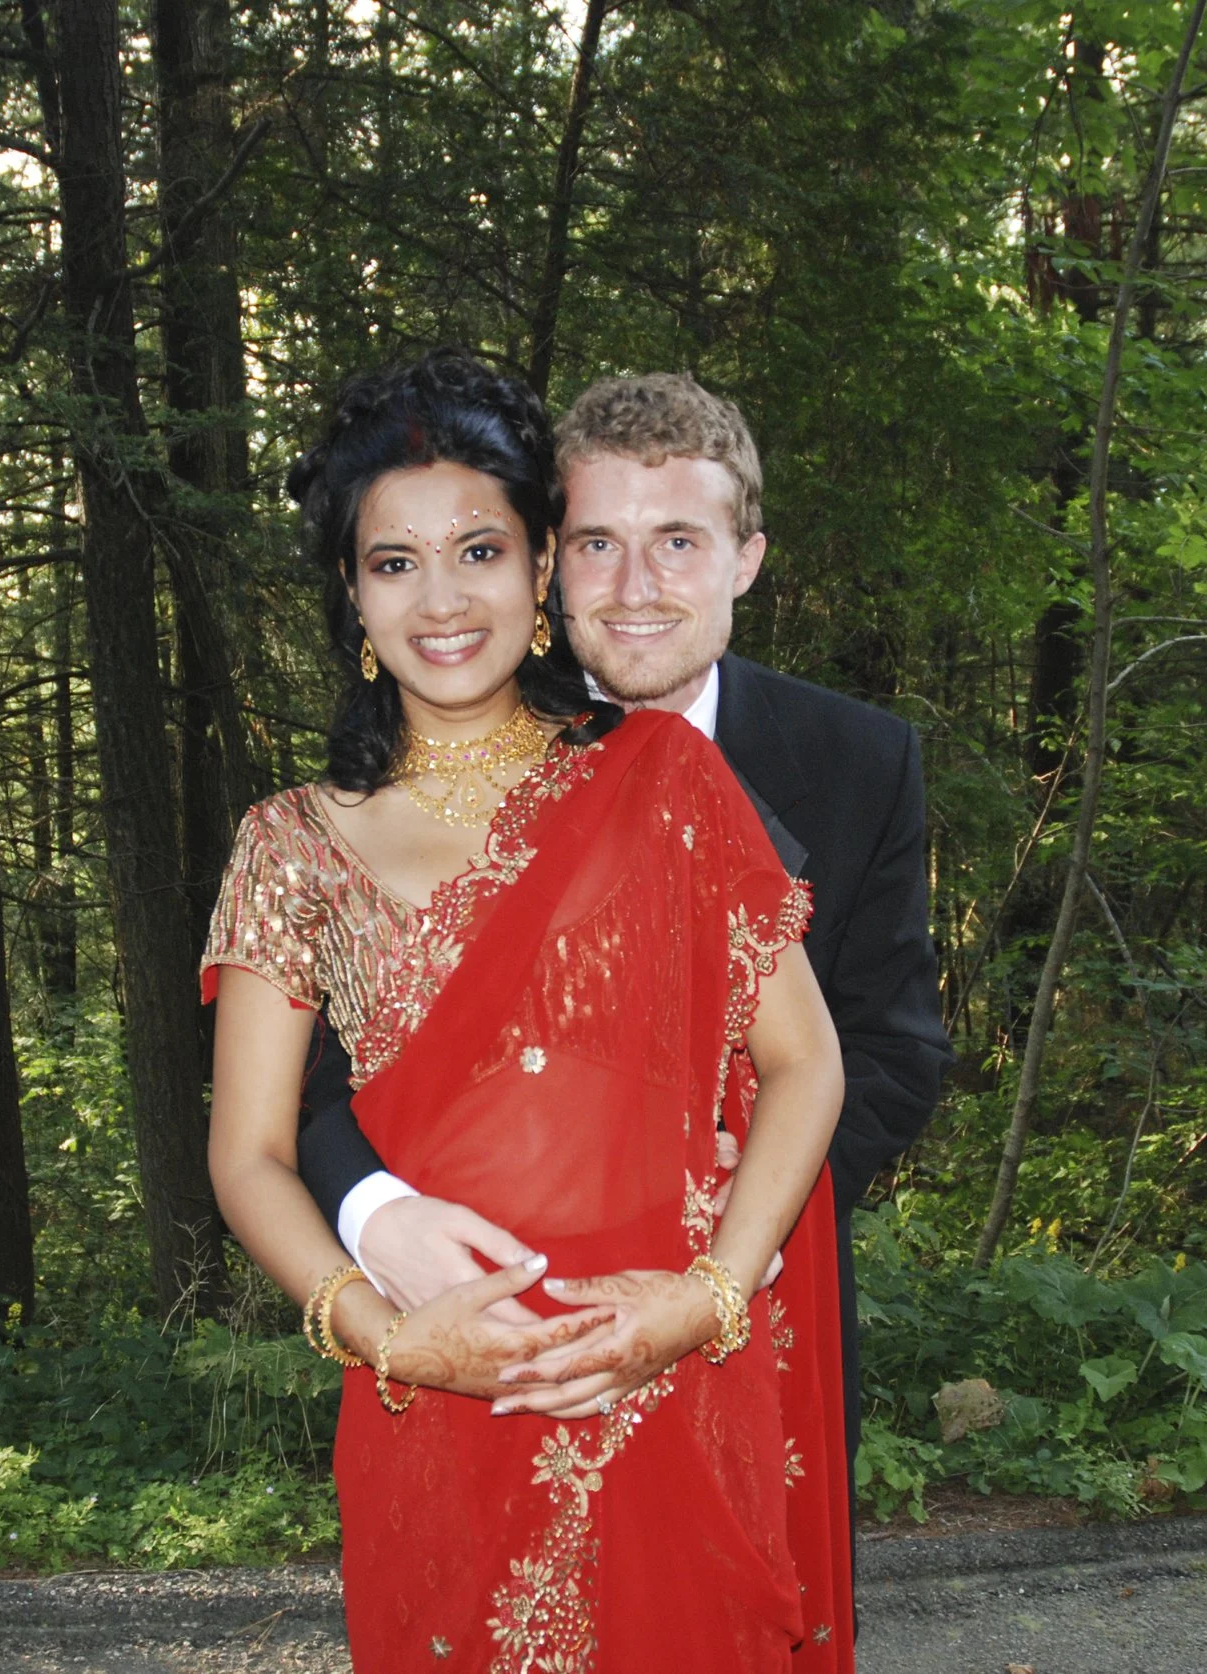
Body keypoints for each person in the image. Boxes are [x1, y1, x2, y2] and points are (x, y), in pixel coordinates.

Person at [203, 351, 855, 1672]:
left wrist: (705, 1298)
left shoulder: (662, 780)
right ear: (350, 589)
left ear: (539, 570)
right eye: (394, 563)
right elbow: (252, 1153)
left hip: (660, 1371)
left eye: (479, 551)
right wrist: (394, 1337)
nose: (441, 601)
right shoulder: (291, 846)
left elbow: (807, 1066)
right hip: (434, 1399)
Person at [298, 372, 952, 1457]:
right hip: (491, 1311)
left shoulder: (860, 761)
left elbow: (890, 1047)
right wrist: (374, 1215)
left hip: (759, 1301)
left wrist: (732, 1222)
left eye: (679, 541)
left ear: (745, 557)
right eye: (599, 542)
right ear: (550, 561)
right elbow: (318, 1075)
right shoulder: (454, 748)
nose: (634, 585)